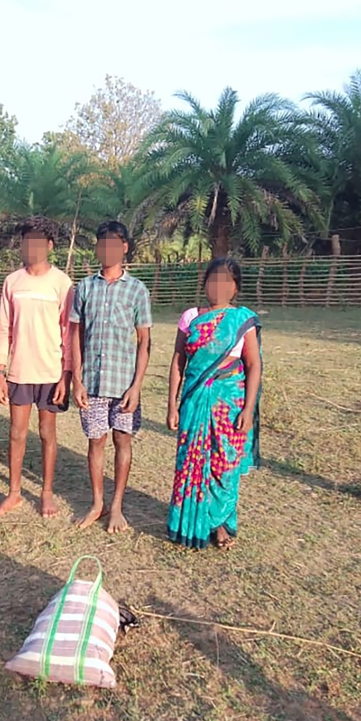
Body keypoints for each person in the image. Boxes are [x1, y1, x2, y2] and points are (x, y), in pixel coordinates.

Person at [166, 257, 262, 550]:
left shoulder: (242, 319)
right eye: (213, 280)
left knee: (224, 465)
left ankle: (219, 524)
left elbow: (253, 365)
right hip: (195, 402)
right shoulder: (191, 317)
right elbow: (179, 361)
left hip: (229, 405)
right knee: (190, 463)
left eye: (226, 282)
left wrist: (247, 408)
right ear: (205, 282)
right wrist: (172, 404)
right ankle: (188, 524)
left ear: (235, 288)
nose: (218, 287)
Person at [70, 221, 152, 534]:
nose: (108, 249)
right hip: (92, 382)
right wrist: (76, 379)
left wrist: (136, 386)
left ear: (125, 248)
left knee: (122, 442)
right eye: (102, 243)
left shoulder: (137, 290)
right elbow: (76, 336)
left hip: (124, 384)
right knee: (96, 443)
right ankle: (97, 503)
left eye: (114, 243)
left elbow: (144, 342)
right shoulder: (85, 287)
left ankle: (116, 506)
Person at [0, 216, 73, 518]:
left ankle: (46, 493)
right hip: (19, 372)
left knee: (47, 434)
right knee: (16, 433)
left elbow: (68, 332)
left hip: (51, 373)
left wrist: (66, 375)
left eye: (39, 241)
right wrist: (0, 372)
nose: (33, 247)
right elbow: (4, 329)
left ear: (50, 245)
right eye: (27, 241)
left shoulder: (62, 283)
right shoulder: (12, 281)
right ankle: (13, 493)